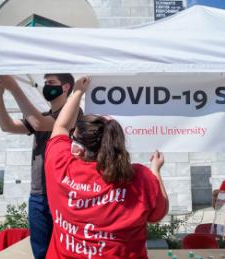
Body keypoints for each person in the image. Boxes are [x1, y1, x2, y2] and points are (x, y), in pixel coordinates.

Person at [44, 76, 169, 259]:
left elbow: (61, 127)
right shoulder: (140, 177)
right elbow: (158, 214)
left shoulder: (60, 165)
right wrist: (156, 171)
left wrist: (78, 91)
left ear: (78, 150)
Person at [0, 74, 77, 259]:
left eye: (51, 83)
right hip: (38, 195)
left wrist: (15, 88)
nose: (47, 87)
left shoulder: (74, 114)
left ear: (66, 87)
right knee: (41, 252)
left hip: (64, 194)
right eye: (45, 83)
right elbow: (8, 126)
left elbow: (39, 124)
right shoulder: (43, 116)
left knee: (65, 251)